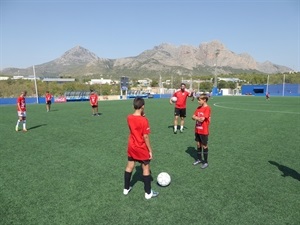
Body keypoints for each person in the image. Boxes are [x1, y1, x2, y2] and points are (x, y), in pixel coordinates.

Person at [123, 97, 159, 199]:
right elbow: (145, 136)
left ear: (133, 105)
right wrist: (150, 150)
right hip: (141, 147)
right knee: (146, 168)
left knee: (130, 166)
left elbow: (134, 124)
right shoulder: (144, 120)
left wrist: (141, 116)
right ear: (143, 106)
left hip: (131, 146)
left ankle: (126, 188)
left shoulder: (129, 117)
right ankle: (148, 193)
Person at [192, 93, 211, 169]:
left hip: (204, 130)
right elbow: (193, 116)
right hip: (197, 129)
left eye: (199, 100)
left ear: (204, 100)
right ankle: (199, 159)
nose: (198, 101)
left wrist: (196, 117)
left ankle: (205, 162)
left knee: (204, 145)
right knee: (198, 145)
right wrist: (197, 118)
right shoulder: (198, 108)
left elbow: (202, 119)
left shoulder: (207, 108)